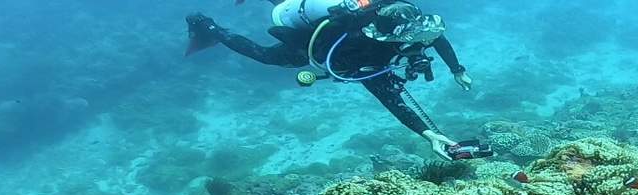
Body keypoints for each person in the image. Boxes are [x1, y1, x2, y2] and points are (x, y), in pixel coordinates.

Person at [186, 0, 475, 159]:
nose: (420, 43)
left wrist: (457, 69)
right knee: (266, 56)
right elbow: (393, 101)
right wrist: (428, 134)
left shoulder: (403, 18)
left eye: (420, 35)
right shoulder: (361, 53)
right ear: (391, 39)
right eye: (411, 40)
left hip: (332, 18)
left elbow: (437, 38)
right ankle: (209, 27)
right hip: (316, 43)